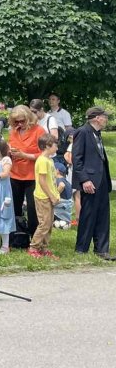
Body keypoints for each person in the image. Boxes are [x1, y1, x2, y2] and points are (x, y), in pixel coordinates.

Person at [72, 106, 114, 260]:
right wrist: (84, 179)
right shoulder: (83, 132)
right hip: (90, 180)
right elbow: (77, 159)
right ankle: (81, 248)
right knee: (88, 215)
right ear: (97, 117)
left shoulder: (98, 134)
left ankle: (102, 249)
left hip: (102, 178)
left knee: (103, 214)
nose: (106, 119)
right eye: (105, 117)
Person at [7, 104, 46, 237]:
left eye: (22, 121)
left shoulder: (38, 131)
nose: (19, 124)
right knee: (14, 206)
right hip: (15, 173)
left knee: (32, 208)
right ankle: (17, 233)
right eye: (16, 121)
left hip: (32, 175)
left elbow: (44, 154)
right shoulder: (13, 132)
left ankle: (33, 236)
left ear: (28, 118)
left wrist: (25, 155)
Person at [29, 134, 61, 259]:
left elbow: (51, 180)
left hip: (50, 196)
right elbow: (42, 181)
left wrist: (56, 194)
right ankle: (34, 247)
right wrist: (51, 196)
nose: (57, 148)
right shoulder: (42, 160)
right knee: (44, 224)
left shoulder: (49, 160)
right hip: (43, 197)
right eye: (55, 146)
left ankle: (43, 247)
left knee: (49, 223)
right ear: (47, 146)